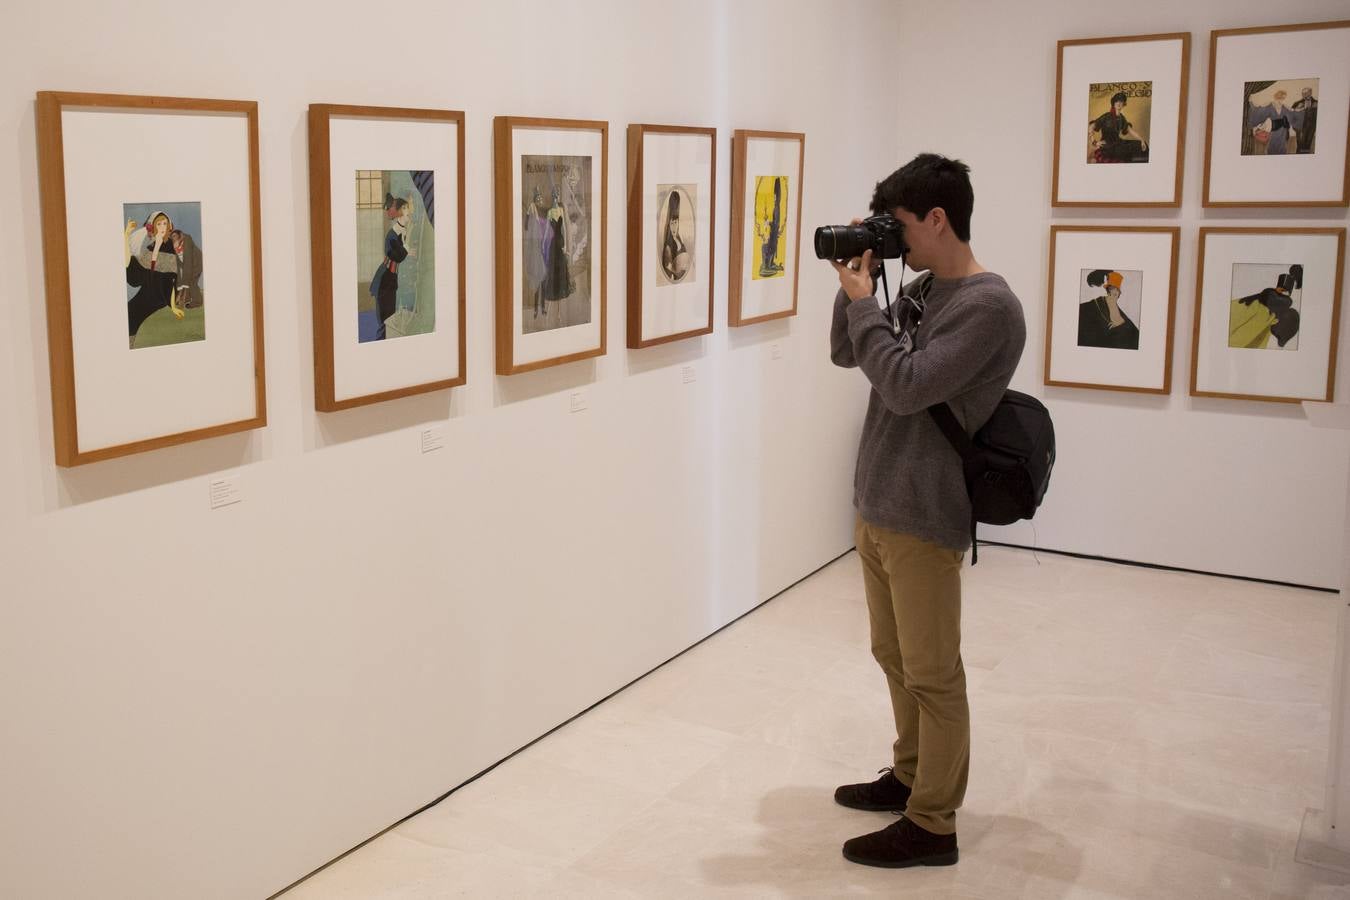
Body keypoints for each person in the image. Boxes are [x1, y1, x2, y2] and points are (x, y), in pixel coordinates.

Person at [827, 153, 1026, 869]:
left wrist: (863, 304)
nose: (897, 240)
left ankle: (933, 823)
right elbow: (846, 355)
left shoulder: (989, 308)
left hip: (925, 510)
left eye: (901, 226)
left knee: (934, 672)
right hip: (879, 502)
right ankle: (909, 773)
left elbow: (907, 386)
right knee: (893, 655)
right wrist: (858, 283)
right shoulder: (917, 287)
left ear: (938, 219)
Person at [124, 210, 181, 348]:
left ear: (169, 227)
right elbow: (133, 277)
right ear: (153, 228)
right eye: (159, 224)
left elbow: (171, 281)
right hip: (144, 297)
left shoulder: (172, 252)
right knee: (129, 313)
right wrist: (126, 236)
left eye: (165, 223)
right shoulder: (148, 251)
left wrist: (173, 306)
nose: (162, 227)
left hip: (159, 299)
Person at [368, 193, 416, 340]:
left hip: (390, 281)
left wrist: (407, 250)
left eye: (408, 214)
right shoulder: (392, 234)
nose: (408, 217)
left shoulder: (401, 231)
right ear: (400, 214)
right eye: (406, 214)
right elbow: (396, 256)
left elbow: (401, 252)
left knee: (389, 318)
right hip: (384, 281)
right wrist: (406, 248)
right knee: (385, 321)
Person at [1229, 265, 1301, 349]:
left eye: (1285, 291)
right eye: (1281, 289)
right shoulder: (1266, 305)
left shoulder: (1272, 306)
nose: (1282, 292)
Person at [1077, 269, 1140, 350]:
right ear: (1108, 289)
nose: (1117, 293)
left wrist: (1121, 322)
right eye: (1113, 289)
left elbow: (1134, 335)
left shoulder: (1117, 309)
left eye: (1118, 290)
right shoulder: (1090, 307)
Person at [1088, 91, 1149, 163]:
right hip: (1107, 146)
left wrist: (1141, 140)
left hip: (1118, 143)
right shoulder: (1106, 116)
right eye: (1117, 101)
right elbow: (1091, 127)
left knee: (1141, 145)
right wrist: (1095, 142)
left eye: (1121, 101)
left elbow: (1131, 131)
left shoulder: (1122, 118)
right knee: (1124, 151)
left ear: (1124, 104)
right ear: (1113, 103)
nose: (1119, 103)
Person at [1248, 89, 1298, 156]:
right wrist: (1251, 103)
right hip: (1274, 129)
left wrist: (1292, 111)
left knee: (1282, 145)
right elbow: (1260, 112)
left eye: (1283, 98)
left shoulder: (1284, 106)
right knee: (1273, 143)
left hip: (1283, 130)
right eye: (1280, 98)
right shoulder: (1270, 105)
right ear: (1276, 97)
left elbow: (1291, 113)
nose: (1282, 100)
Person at [660, 188, 691, 283]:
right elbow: (669, 272)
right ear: (669, 224)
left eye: (676, 222)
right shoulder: (668, 248)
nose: (674, 226)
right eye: (672, 223)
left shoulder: (679, 240)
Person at [1292, 87, 1318, 154]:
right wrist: (1295, 127)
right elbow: (1292, 115)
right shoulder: (1297, 103)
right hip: (1300, 128)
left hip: (1312, 127)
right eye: (1303, 93)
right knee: (1300, 145)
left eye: (1306, 93)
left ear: (1310, 93)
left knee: (1308, 144)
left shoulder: (1317, 103)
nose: (1304, 95)